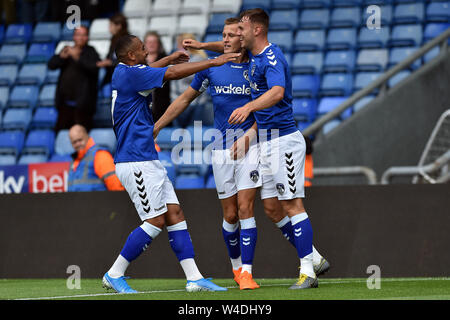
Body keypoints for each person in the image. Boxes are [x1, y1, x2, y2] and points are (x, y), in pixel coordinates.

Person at [154, 17, 301, 290]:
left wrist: (250, 135)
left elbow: (268, 108)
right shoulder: (213, 67)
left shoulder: (255, 66)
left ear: (242, 38)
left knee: (246, 208)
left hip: (251, 145)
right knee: (230, 214)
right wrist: (158, 125)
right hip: (220, 148)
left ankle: (247, 272)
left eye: (232, 35)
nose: (226, 39)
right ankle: (236, 270)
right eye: (223, 35)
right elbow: (185, 98)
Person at [102, 34, 241, 293]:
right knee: (154, 221)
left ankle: (194, 278)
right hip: (135, 160)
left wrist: (167, 58)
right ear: (131, 56)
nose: (146, 51)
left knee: (174, 214)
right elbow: (173, 73)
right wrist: (214, 62)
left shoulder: (124, 71)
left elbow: (155, 69)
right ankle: (114, 273)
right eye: (142, 49)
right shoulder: (132, 75)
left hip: (146, 158)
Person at [48, 25, 100, 133]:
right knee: (61, 134)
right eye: (78, 35)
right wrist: (61, 57)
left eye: (83, 35)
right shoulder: (67, 50)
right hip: (65, 104)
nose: (80, 38)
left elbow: (93, 68)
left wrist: (77, 57)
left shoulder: (91, 52)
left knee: (82, 136)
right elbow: (51, 65)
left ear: (88, 37)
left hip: (83, 106)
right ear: (74, 37)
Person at [67, 124, 124, 192]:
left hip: (99, 202)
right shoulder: (75, 160)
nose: (78, 144)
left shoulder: (100, 155)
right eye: (74, 142)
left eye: (80, 140)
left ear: (87, 136)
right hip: (77, 202)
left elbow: (116, 187)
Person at [170, 33, 208, 127]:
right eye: (179, 44)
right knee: (177, 135)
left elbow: (188, 75)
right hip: (177, 100)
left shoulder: (200, 58)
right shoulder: (175, 58)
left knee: (194, 136)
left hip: (196, 103)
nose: (180, 47)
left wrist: (181, 62)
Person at [144, 31, 172, 123]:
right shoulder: (139, 62)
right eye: (149, 42)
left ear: (159, 44)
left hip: (163, 105)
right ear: (144, 44)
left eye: (154, 42)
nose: (151, 44)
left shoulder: (166, 59)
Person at [97, 13, 129, 88]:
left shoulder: (127, 41)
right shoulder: (114, 39)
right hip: (113, 76)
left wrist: (111, 63)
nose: (109, 28)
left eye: (111, 25)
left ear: (119, 26)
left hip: (123, 78)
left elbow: (128, 60)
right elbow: (110, 57)